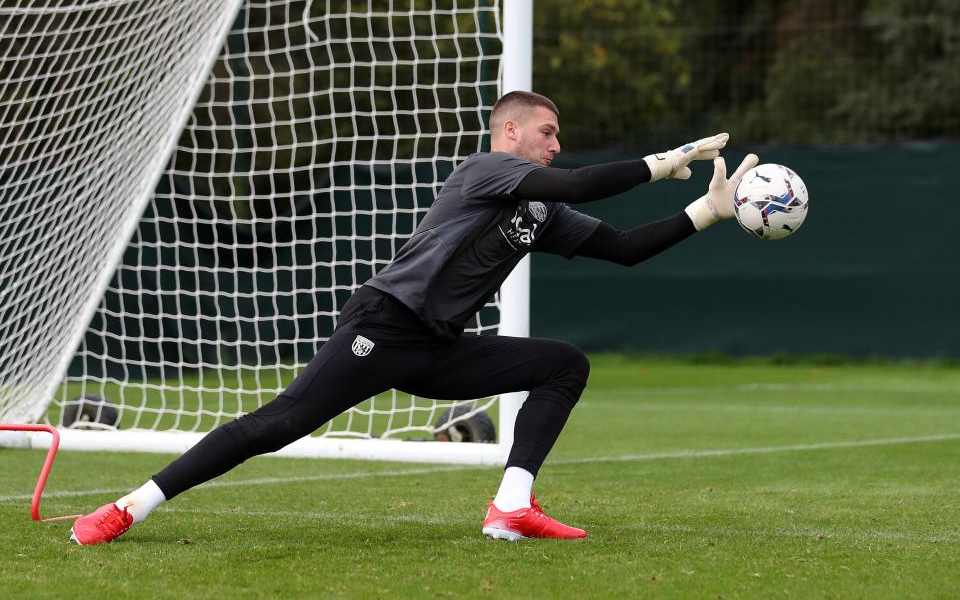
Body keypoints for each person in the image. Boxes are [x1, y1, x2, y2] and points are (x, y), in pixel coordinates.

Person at [70, 91, 758, 544]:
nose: (555, 144)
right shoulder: (485, 169)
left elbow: (626, 248)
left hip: (435, 348)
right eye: (547, 133)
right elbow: (578, 181)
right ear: (510, 131)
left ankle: (510, 508)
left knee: (562, 365)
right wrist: (663, 162)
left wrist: (707, 211)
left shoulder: (541, 211)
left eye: (558, 136)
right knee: (277, 425)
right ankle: (129, 507)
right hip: (385, 324)